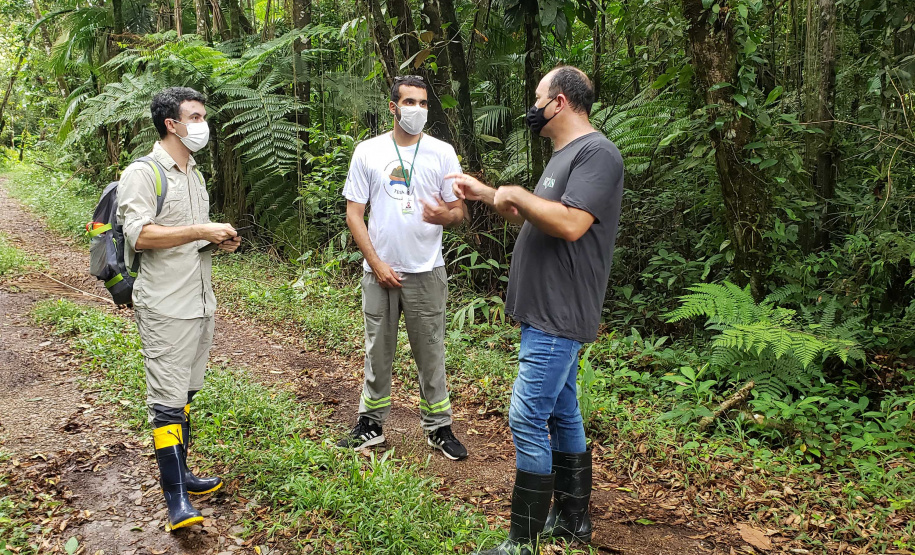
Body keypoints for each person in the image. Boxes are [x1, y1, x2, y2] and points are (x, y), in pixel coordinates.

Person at [448, 66, 624, 554]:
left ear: (561, 102)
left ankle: (520, 543)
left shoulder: (597, 154)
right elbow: (539, 213)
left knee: (526, 417)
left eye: (538, 97)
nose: (533, 104)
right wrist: (487, 193)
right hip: (546, 310)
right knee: (563, 412)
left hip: (558, 312)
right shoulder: (563, 156)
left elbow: (569, 224)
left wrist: (519, 194)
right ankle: (571, 521)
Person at [117, 87, 241, 531]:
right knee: (166, 404)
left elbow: (190, 238)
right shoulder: (144, 173)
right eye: (195, 116)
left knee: (185, 396)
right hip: (166, 306)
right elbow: (142, 236)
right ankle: (176, 503)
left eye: (202, 116)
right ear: (172, 124)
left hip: (200, 301)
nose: (201, 124)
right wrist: (198, 229)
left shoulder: (195, 174)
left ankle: (183, 474)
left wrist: (215, 240)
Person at [336, 75, 469, 461]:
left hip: (426, 269)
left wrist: (446, 214)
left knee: (431, 351)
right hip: (380, 270)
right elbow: (354, 213)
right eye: (410, 102)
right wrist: (376, 263)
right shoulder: (368, 152)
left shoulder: (442, 153)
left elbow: (459, 211)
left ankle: (439, 427)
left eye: (424, 103)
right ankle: (371, 424)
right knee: (378, 350)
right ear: (393, 107)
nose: (418, 110)